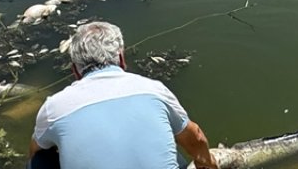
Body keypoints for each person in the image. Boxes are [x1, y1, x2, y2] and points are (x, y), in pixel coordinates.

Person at [29, 21, 219, 169]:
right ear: (121, 58)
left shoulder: (54, 107)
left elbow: (35, 152)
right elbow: (197, 138)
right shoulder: (153, 89)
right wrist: (207, 164)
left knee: (40, 159)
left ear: (75, 71)